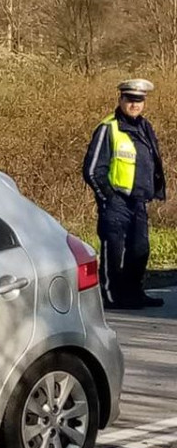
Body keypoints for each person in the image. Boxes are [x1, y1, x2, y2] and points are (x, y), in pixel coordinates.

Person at [83, 78, 165, 309]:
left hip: (138, 201)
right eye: (130, 99)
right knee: (114, 251)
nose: (134, 104)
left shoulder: (145, 127)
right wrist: (107, 198)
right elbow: (92, 170)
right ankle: (110, 296)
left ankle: (134, 293)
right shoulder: (108, 128)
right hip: (116, 201)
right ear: (120, 99)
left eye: (139, 100)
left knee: (140, 249)